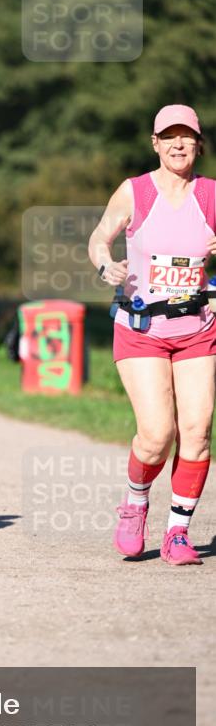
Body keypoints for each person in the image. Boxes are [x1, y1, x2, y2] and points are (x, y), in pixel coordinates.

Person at [89, 104, 215, 566]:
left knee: (198, 431)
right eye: (170, 136)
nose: (179, 144)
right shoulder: (135, 192)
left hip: (197, 328)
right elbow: (100, 237)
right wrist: (106, 264)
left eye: (188, 136)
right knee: (157, 434)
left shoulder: (212, 196)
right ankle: (135, 502)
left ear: (199, 144)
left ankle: (178, 533)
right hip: (142, 327)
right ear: (155, 143)